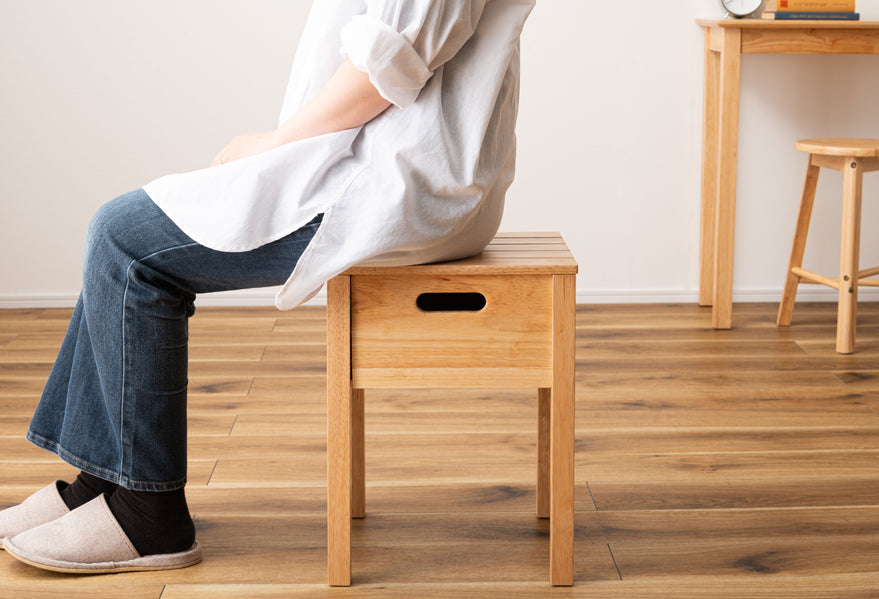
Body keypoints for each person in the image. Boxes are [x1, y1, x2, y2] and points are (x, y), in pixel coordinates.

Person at [0, 0, 535, 573]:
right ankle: (103, 482)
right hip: (389, 164)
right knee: (122, 238)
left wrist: (276, 143)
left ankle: (147, 513)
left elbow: (389, 63)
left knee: (125, 241)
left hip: (393, 180)